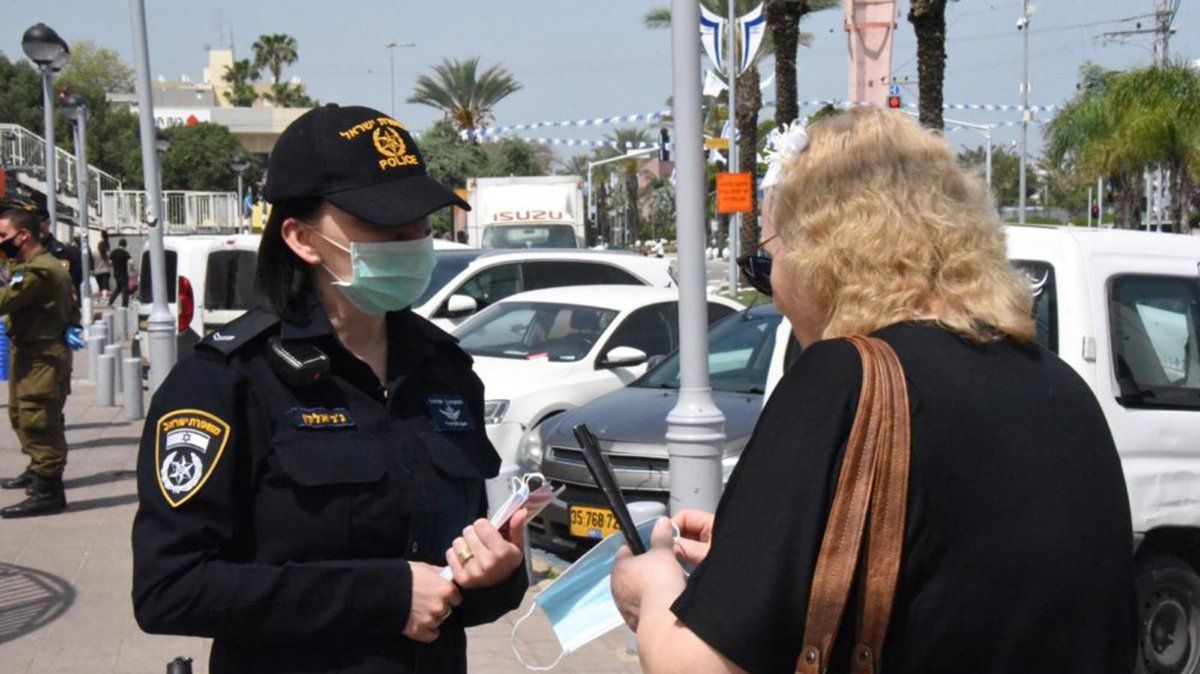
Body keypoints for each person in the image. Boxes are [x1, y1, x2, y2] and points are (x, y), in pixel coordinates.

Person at [610, 108, 1137, 674]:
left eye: (766, 261)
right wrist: (756, 556)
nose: (773, 293)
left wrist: (655, 585)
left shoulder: (843, 377)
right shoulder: (1061, 388)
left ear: (820, 257)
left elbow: (696, 666)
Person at [132, 104, 530, 674]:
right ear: (301, 237)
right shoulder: (227, 381)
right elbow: (170, 586)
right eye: (384, 224)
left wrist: (497, 575)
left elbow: (458, 576)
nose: (413, 240)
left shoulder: (444, 369)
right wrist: (385, 597)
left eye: (420, 222)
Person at [0, 208, 75, 518]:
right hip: (29, 353)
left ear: (23, 236)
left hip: (42, 356)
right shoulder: (27, 266)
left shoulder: (39, 271)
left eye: (3, 236)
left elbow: (4, 301)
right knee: (21, 414)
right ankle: (37, 470)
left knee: (39, 419)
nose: (1, 242)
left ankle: (49, 489)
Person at [108, 238, 132, 307]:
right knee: (125, 289)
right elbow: (131, 262)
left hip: (116, 273)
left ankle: (110, 301)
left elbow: (110, 263)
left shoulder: (114, 252)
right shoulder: (125, 253)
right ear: (125, 245)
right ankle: (125, 304)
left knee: (118, 288)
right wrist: (132, 268)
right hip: (123, 273)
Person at [93, 230, 111, 300]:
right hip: (105, 271)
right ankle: (104, 297)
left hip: (97, 272)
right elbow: (109, 263)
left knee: (100, 286)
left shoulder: (95, 253)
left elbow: (92, 262)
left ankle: (100, 298)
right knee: (105, 286)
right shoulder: (106, 254)